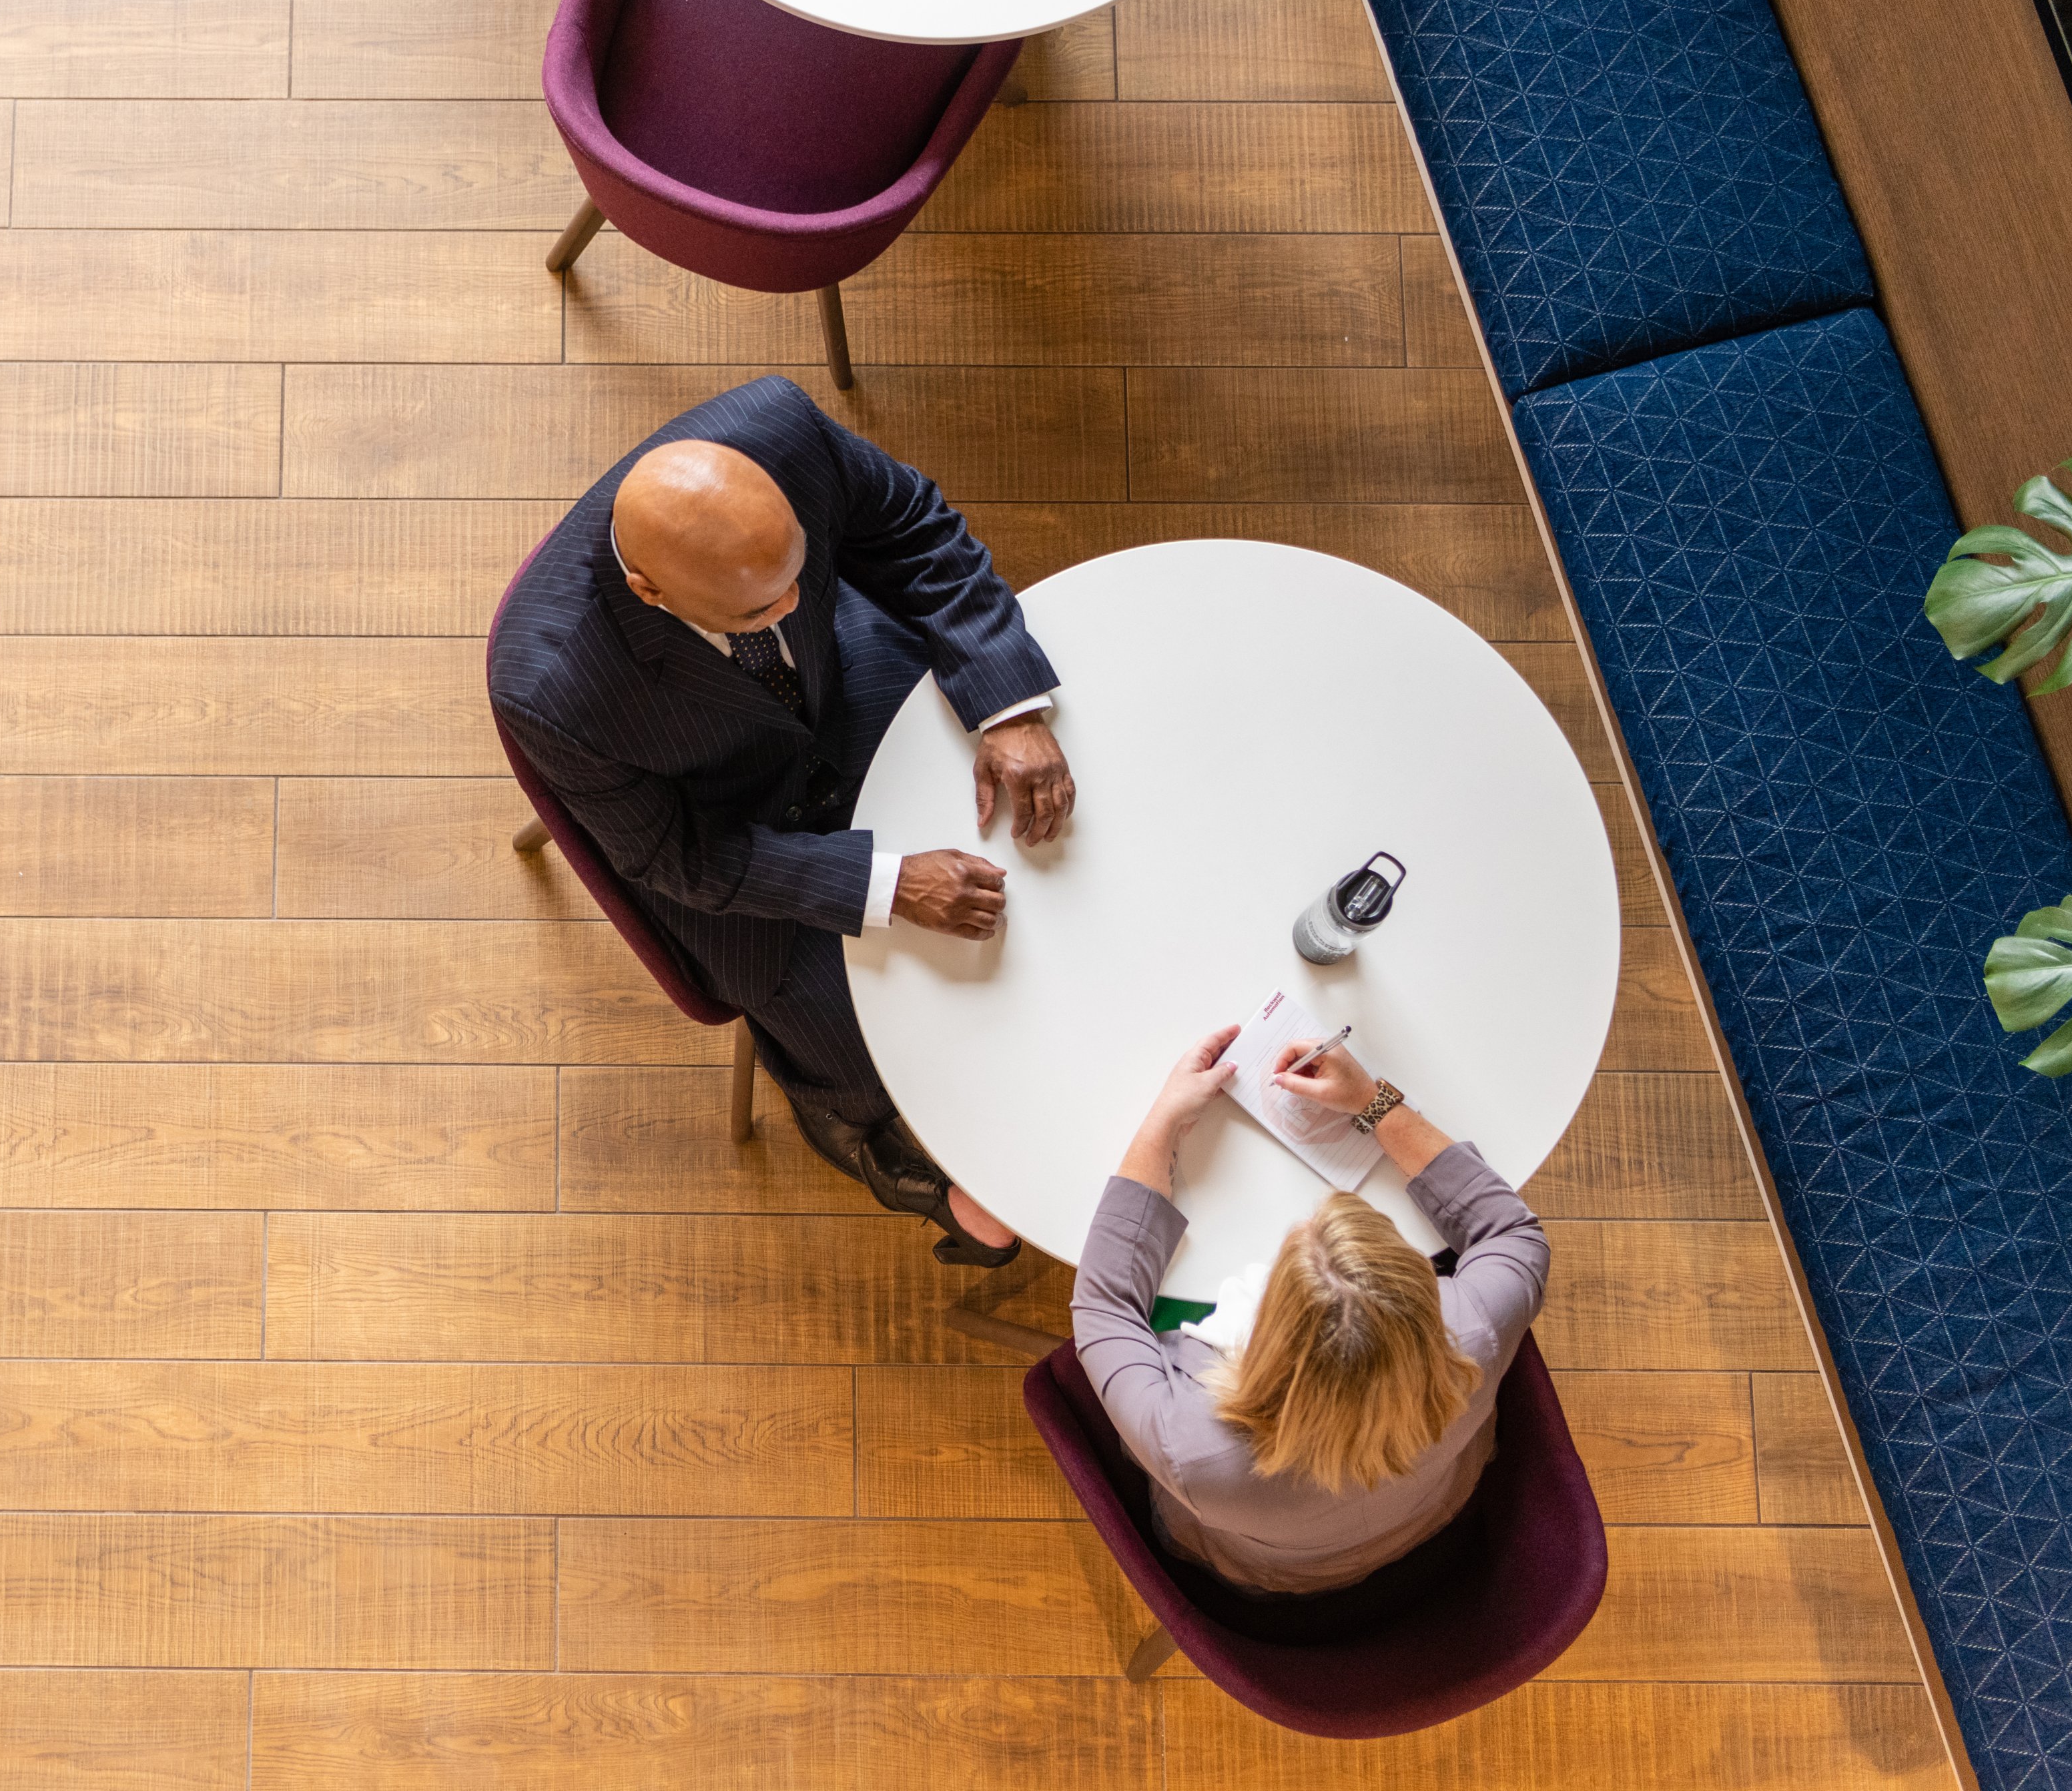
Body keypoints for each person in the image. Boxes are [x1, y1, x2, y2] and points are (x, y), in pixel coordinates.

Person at [487, 376, 1074, 1265]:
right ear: (648, 592)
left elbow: (911, 526)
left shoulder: (779, 430)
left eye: (800, 572)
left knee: (1056, 854)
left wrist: (1009, 710)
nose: (796, 605)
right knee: (852, 1028)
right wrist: (884, 885)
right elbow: (679, 860)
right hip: (735, 829)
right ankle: (865, 1132)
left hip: (846, 689)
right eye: (761, 611)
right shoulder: (555, 690)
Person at [1069, 1024, 1551, 1623]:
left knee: (1158, 1322)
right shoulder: (1475, 1329)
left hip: (1274, 1573)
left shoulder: (1196, 1447)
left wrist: (1163, 1121)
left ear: (1263, 1335)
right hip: (1434, 1506)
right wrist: (1374, 1100)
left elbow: (1104, 1306)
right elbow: (1511, 1231)